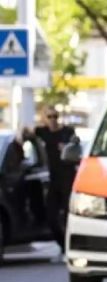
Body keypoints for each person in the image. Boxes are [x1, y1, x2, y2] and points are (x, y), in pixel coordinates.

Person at [17, 107, 76, 252]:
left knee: (68, 216)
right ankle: (63, 245)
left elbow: (76, 145)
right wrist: (22, 132)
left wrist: (68, 147)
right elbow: (23, 133)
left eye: (55, 116)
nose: (53, 120)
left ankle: (70, 248)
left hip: (68, 178)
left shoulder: (67, 132)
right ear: (44, 119)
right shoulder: (42, 132)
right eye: (49, 117)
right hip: (53, 180)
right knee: (51, 217)